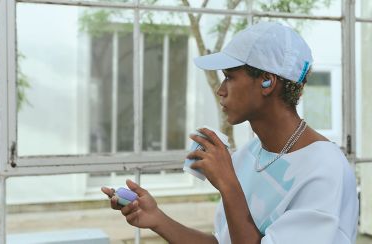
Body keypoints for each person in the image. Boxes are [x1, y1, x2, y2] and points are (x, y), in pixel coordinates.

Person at [101, 21, 359, 244]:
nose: (220, 89)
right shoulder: (249, 154)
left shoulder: (325, 170)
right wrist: (156, 219)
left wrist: (227, 183)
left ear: (267, 81)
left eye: (229, 77)